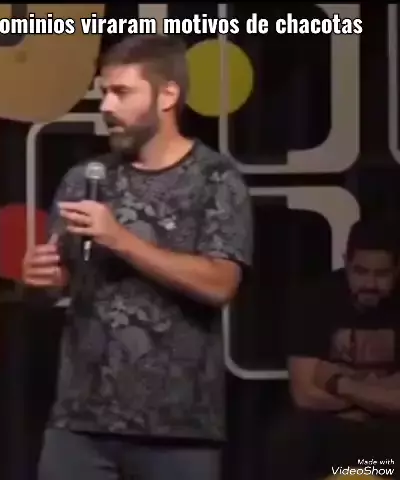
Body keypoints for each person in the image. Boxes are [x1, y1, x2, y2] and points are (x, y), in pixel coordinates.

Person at [22, 34, 253, 480]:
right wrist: (39, 281)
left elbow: (221, 283)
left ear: (168, 95)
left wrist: (121, 239)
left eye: (121, 92)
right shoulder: (84, 179)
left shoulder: (216, 179)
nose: (107, 106)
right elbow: (53, 288)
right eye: (104, 93)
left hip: (178, 431)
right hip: (79, 425)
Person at [266, 219, 400, 480]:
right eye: (360, 271)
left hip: (387, 431)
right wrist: (379, 393)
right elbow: (305, 394)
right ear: (346, 263)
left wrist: (338, 383)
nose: (370, 283)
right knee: (289, 439)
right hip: (329, 425)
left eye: (382, 274)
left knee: (386, 458)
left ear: (398, 269)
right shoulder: (315, 299)